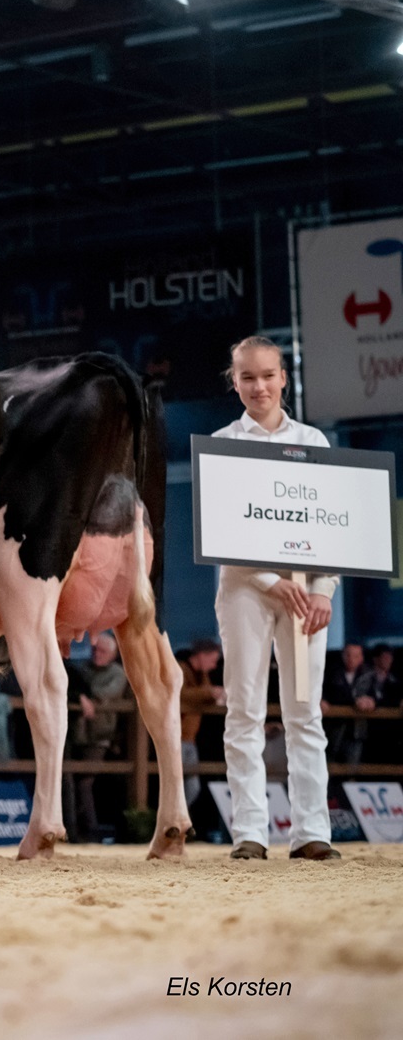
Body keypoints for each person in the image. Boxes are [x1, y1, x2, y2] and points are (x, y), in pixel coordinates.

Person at [213, 335, 339, 861]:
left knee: (304, 712)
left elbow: (332, 524)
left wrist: (323, 589)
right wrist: (271, 579)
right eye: (247, 377)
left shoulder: (315, 441)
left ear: (283, 377)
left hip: (307, 598)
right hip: (245, 591)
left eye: (267, 375)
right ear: (234, 381)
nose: (258, 386)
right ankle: (250, 834)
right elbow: (221, 527)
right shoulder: (221, 442)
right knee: (243, 709)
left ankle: (311, 832)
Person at [66, 631, 130, 842]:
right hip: (78, 732)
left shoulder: (117, 673)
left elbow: (104, 693)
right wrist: (80, 693)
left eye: (102, 650)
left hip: (100, 735)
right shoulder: (83, 669)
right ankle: (77, 828)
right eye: (95, 649)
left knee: (85, 781)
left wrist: (81, 693)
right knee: (73, 780)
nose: (97, 654)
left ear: (112, 654)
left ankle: (89, 829)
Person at [178, 639, 225, 809]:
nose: (214, 666)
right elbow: (180, 693)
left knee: (192, 787)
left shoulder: (202, 675)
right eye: (212, 660)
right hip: (177, 738)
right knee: (179, 786)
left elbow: (205, 696)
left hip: (190, 739)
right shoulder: (179, 670)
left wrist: (212, 695)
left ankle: (181, 823)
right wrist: (210, 692)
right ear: (201, 656)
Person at [325, 643, 380, 764]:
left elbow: (377, 696)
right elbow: (328, 694)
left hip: (357, 731)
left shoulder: (369, 675)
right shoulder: (332, 673)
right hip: (333, 729)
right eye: (348, 655)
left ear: (361, 658)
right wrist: (354, 701)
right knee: (329, 765)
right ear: (342, 655)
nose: (351, 659)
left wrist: (371, 701)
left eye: (355, 656)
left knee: (352, 768)